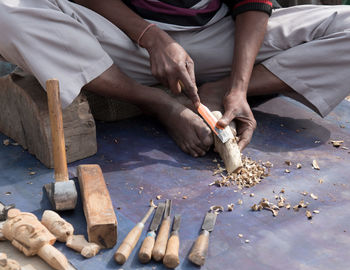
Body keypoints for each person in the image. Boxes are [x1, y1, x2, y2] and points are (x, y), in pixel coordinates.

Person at [0, 0, 349, 158]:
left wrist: (238, 87)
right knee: (8, 11)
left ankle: (218, 89)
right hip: (123, 42)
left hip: (219, 38)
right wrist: (151, 37)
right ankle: (158, 102)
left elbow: (252, 4)